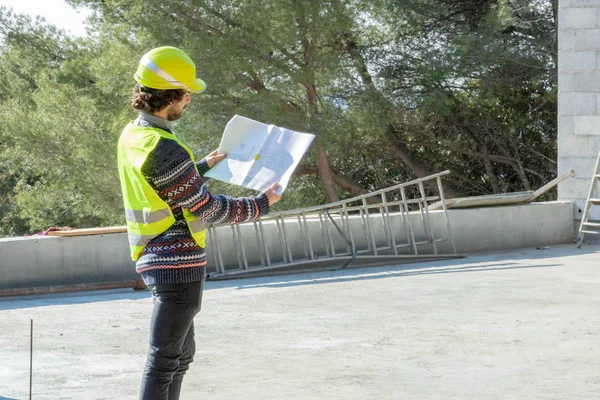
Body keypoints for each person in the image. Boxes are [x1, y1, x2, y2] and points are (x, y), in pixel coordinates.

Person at [117, 46, 281, 400]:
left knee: (178, 356)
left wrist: (201, 165)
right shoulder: (165, 149)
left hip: (154, 256)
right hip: (177, 264)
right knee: (165, 360)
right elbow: (207, 209)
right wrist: (261, 204)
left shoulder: (135, 135)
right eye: (185, 93)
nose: (188, 100)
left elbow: (163, 185)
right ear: (171, 96)